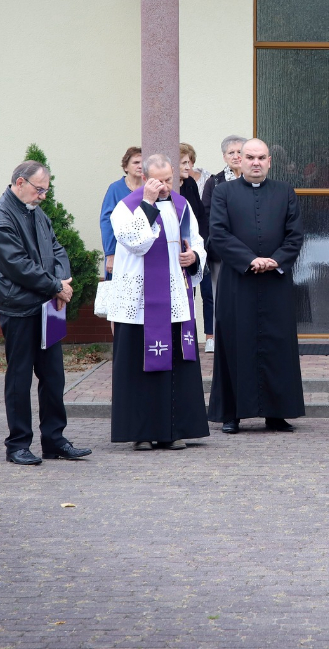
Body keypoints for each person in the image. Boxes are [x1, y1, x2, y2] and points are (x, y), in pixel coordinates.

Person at [0, 161, 91, 466]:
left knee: (53, 376)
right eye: (38, 189)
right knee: (19, 378)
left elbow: (57, 249)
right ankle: (17, 444)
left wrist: (62, 281)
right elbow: (16, 265)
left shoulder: (36, 213)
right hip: (20, 309)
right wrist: (55, 286)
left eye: (46, 189)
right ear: (20, 183)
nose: (42, 196)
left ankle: (54, 440)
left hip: (47, 306)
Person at [107, 153, 209, 450]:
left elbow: (197, 241)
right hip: (138, 302)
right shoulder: (125, 208)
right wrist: (148, 204)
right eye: (158, 181)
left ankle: (173, 429)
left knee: (174, 365)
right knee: (137, 367)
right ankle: (140, 431)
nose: (165, 187)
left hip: (174, 294)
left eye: (168, 180)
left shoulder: (182, 205)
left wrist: (194, 257)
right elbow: (136, 241)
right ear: (143, 177)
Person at [207, 138, 305, 433]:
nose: (255, 162)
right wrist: (250, 260)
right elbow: (218, 234)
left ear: (270, 161)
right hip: (238, 281)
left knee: (277, 345)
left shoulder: (285, 192)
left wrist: (274, 261)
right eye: (249, 157)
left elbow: (295, 234)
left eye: (261, 157)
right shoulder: (223, 192)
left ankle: (277, 413)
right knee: (235, 342)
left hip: (275, 281)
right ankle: (231, 414)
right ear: (239, 160)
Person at [199, 135, 247, 354]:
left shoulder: (256, 178)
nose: (236, 156)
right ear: (224, 157)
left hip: (252, 250)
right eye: (231, 153)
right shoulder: (215, 182)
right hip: (222, 251)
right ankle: (222, 339)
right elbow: (206, 215)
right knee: (220, 294)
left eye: (240, 152)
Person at [100, 146, 143, 281]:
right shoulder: (115, 189)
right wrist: (110, 254)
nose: (140, 166)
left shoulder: (149, 189)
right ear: (126, 167)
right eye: (136, 162)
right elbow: (106, 222)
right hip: (121, 253)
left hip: (143, 252)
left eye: (143, 162)